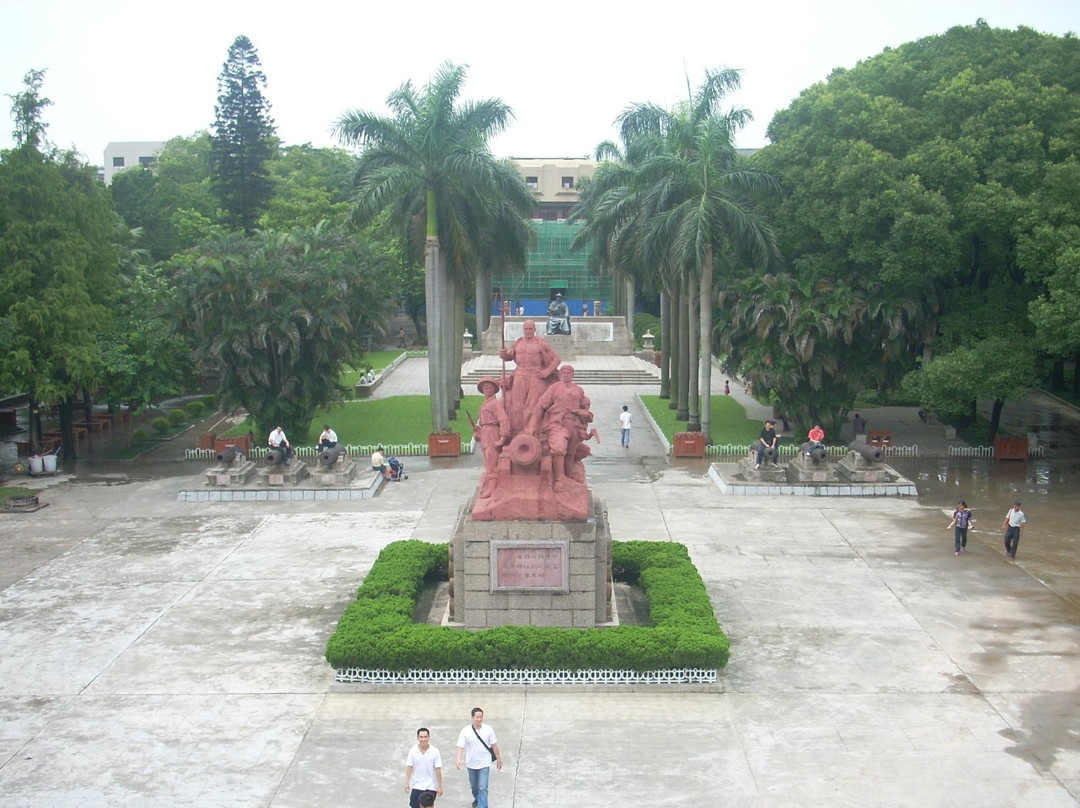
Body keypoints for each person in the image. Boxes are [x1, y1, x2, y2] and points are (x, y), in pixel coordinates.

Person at [530, 365, 594, 491]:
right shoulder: (554, 388)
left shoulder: (578, 390)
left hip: (574, 424)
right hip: (557, 423)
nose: (565, 375)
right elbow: (541, 406)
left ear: (572, 374)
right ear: (560, 374)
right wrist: (532, 425)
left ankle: (567, 477)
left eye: (568, 373)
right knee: (559, 450)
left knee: (571, 453)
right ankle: (558, 479)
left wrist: (582, 413)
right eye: (563, 373)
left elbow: (583, 407)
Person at [498, 319, 561, 434]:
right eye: (526, 329)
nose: (528, 331)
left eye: (530, 329)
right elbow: (509, 356)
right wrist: (503, 355)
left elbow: (557, 359)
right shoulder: (518, 343)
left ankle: (532, 432)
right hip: (520, 376)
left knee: (533, 405)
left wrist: (546, 372)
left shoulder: (540, 343)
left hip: (535, 377)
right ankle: (517, 433)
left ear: (534, 329)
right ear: (523, 330)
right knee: (517, 406)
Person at [456, 707, 502, 808]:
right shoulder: (465, 731)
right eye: (477, 717)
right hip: (471, 763)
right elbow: (460, 746)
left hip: (484, 763)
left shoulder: (488, 729)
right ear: (472, 717)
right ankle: (477, 799)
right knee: (474, 786)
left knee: (483, 787)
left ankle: (483, 806)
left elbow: (494, 745)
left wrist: (499, 759)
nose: (479, 719)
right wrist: (458, 759)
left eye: (481, 717)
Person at [474, 377, 510, 496]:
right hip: (485, 432)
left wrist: (502, 438)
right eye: (485, 388)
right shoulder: (487, 402)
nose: (487, 390)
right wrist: (478, 432)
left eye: (489, 388)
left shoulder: (495, 403)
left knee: (492, 461)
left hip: (492, 432)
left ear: (494, 390)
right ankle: (490, 487)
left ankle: (493, 491)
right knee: (487, 460)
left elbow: (503, 420)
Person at [404, 727, 443, 808]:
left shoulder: (435, 751)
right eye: (421, 737)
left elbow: (438, 769)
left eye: (425, 737)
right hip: (417, 785)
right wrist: (407, 782)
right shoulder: (413, 751)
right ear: (417, 738)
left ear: (429, 737)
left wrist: (439, 786)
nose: (423, 739)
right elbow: (409, 766)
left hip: (431, 786)